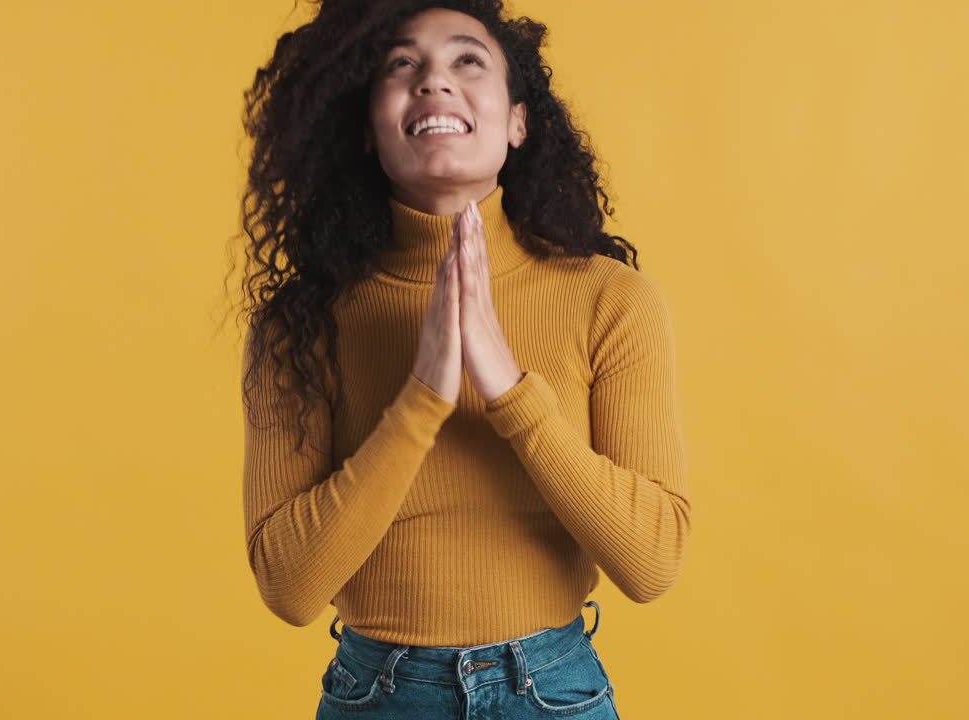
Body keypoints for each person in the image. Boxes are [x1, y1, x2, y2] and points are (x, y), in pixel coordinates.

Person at [235, 1, 691, 717]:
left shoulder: (613, 300)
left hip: (554, 692)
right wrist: (420, 399)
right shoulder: (300, 325)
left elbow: (652, 562)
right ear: (366, 128)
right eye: (401, 65)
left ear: (518, 120)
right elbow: (289, 588)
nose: (434, 81)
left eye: (466, 60)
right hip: (377, 696)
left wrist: (509, 389)